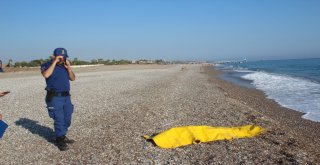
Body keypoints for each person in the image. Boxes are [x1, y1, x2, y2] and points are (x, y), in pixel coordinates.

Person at [41, 48, 76, 151]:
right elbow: (46, 75)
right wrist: (54, 62)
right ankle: (59, 139)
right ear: (54, 56)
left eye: (64, 57)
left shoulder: (65, 67)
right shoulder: (47, 65)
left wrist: (69, 68)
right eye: (60, 57)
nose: (62, 59)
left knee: (67, 118)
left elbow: (73, 78)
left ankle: (62, 134)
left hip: (66, 96)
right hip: (54, 97)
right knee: (59, 118)